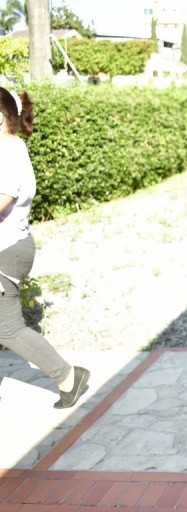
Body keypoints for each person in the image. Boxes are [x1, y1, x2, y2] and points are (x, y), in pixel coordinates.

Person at [0, 87, 91, 409]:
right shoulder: (10, 148)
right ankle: (68, 376)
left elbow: (3, 199)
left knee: (8, 329)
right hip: (11, 246)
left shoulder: (8, 152)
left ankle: (68, 376)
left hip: (6, 250)